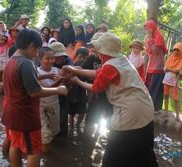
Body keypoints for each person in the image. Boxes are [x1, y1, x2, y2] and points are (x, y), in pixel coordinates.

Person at [62, 32, 157, 167]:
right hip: (146, 108)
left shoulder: (110, 66)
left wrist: (77, 81)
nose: (97, 53)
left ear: (102, 51)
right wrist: (74, 70)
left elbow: (96, 88)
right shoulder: (122, 60)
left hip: (130, 113)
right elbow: (99, 73)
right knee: (144, 152)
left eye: (98, 50)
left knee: (113, 156)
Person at [1, 29, 68, 167]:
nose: (37, 54)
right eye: (37, 50)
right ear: (32, 46)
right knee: (34, 151)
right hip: (25, 116)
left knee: (15, 144)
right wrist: (59, 89)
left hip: (12, 112)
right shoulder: (25, 63)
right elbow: (35, 92)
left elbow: (23, 82)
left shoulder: (11, 60)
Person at [37, 47, 64, 153]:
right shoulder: (37, 72)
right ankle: (46, 155)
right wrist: (59, 82)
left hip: (54, 104)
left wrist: (67, 79)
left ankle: (47, 153)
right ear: (40, 59)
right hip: (41, 104)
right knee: (45, 132)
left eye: (52, 58)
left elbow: (63, 88)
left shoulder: (57, 70)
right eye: (47, 58)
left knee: (53, 129)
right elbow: (46, 89)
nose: (51, 61)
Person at [50, 42, 74, 136]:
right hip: (50, 93)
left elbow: (72, 76)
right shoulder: (45, 61)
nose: (59, 58)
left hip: (65, 92)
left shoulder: (68, 61)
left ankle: (62, 136)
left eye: (61, 56)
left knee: (63, 116)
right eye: (56, 56)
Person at [144, 19, 168, 112]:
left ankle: (155, 111)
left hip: (158, 68)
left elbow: (156, 51)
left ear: (152, 27)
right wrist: (149, 40)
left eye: (148, 28)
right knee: (149, 89)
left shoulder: (158, 37)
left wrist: (150, 40)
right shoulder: (150, 38)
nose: (147, 31)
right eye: (146, 29)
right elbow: (148, 51)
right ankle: (148, 109)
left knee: (155, 91)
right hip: (150, 68)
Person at [163, 42, 182, 120]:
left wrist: (170, 70)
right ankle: (166, 112)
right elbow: (165, 68)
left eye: (178, 50)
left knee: (176, 98)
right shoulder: (170, 57)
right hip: (166, 80)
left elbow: (179, 72)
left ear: (181, 51)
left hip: (174, 82)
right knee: (166, 95)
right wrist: (172, 70)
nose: (176, 52)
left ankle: (177, 115)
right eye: (174, 50)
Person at [68, 47, 88, 129]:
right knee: (71, 112)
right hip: (73, 92)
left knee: (83, 111)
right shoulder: (72, 66)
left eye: (84, 57)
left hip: (82, 92)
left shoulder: (87, 68)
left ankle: (77, 125)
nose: (82, 59)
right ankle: (72, 127)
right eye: (80, 57)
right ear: (76, 57)